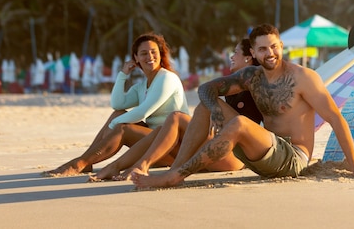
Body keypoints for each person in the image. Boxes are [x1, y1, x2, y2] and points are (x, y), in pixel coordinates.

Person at [132, 23, 354, 189]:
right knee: (204, 107)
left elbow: (335, 117)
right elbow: (206, 89)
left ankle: (175, 176)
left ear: (281, 46)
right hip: (262, 153)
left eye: (274, 46)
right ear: (253, 51)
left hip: (292, 159)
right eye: (263, 49)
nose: (270, 53)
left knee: (240, 123)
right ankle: (175, 171)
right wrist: (217, 114)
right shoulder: (251, 76)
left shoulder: (303, 78)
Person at [89, 38, 263, 181]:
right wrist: (122, 75)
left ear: (249, 57)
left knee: (177, 117)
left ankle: (142, 165)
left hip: (233, 156)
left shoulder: (256, 86)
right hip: (218, 148)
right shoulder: (232, 88)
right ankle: (118, 166)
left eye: (236, 53)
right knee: (166, 125)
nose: (231, 57)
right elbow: (118, 104)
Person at [42, 32, 189, 177]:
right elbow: (117, 104)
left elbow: (143, 112)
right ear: (136, 58)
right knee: (118, 114)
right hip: (152, 142)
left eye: (153, 52)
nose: (150, 57)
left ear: (160, 54)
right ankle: (86, 162)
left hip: (172, 146)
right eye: (144, 53)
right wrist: (123, 74)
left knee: (121, 127)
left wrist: (113, 126)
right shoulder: (142, 86)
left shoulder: (167, 78)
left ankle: (79, 163)